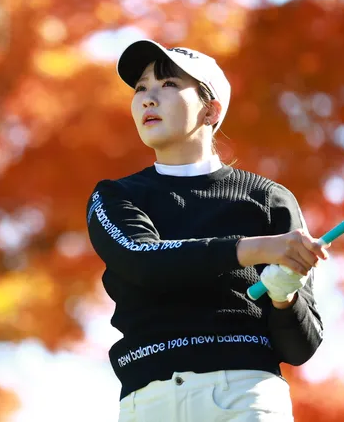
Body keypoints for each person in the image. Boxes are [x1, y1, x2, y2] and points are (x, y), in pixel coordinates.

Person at [85, 39, 329, 422]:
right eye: (141, 89)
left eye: (168, 85)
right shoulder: (115, 196)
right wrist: (255, 249)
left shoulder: (269, 199)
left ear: (210, 110)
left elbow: (301, 347)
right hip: (148, 404)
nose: (148, 99)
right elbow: (143, 261)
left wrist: (285, 296)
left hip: (244, 396)